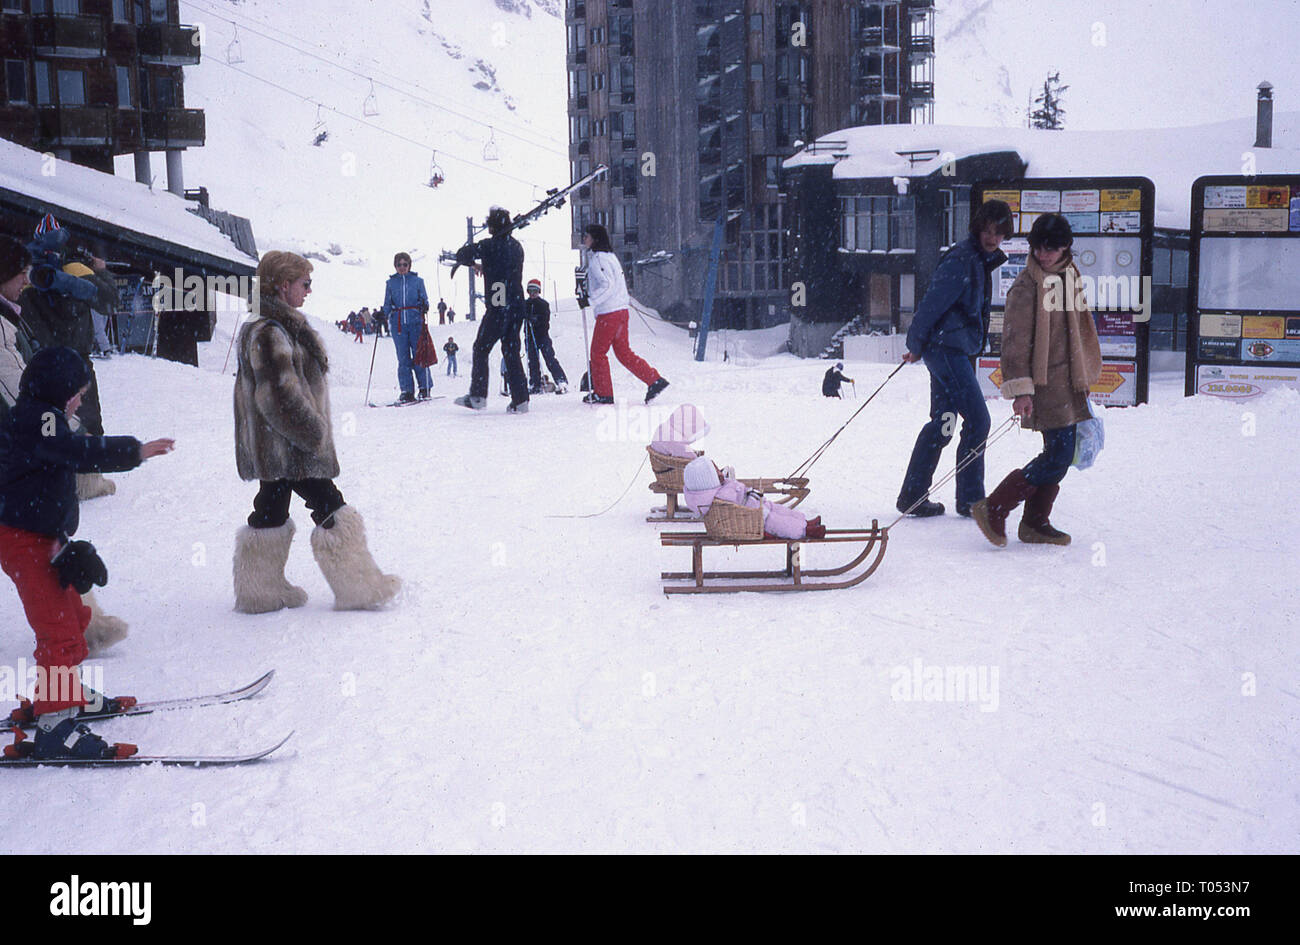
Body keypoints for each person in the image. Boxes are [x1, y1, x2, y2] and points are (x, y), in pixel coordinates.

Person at [0, 345, 174, 759]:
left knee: (75, 616)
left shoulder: (41, 415)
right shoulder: (39, 420)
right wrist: (135, 450)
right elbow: (75, 453)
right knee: (58, 631)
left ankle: (65, 695)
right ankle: (56, 727)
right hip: (23, 540)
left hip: (41, 536)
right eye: (76, 391)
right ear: (57, 389)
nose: (79, 399)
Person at [233, 251, 400, 613]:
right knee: (329, 504)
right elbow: (278, 397)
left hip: (277, 444)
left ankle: (259, 591)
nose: (309, 291)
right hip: (290, 444)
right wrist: (312, 435)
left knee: (271, 508)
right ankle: (360, 587)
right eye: (304, 284)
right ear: (283, 285)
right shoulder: (269, 331)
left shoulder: (275, 326)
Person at [1, 235, 128, 656]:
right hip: (33, 431)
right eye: (22, 272)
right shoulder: (11, 316)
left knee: (45, 542)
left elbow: (107, 300)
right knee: (35, 547)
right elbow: (16, 387)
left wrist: (86, 279)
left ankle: (79, 631)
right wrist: (58, 421)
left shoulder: (17, 310)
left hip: (57, 399)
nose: (29, 278)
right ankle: (61, 691)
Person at [972, 213, 1101, 547]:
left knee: (1061, 453)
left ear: (1065, 248)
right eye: (1039, 248)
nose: (1044, 255)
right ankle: (995, 507)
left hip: (1069, 382)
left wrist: (1083, 373)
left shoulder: (1069, 275)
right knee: (1058, 455)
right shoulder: (1026, 286)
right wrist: (1021, 390)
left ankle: (1035, 523)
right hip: (1044, 386)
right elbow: (1014, 344)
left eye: (1051, 248)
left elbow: (1081, 331)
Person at [896, 200, 1013, 518]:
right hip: (946, 350)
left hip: (951, 349)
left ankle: (913, 496)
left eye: (998, 233)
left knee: (943, 425)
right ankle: (972, 500)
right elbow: (932, 303)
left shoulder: (979, 259)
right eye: (988, 230)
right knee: (979, 420)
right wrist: (915, 343)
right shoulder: (963, 259)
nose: (992, 238)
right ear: (978, 228)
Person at [580, 224, 668, 405]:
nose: (584, 239)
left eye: (587, 236)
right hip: (621, 312)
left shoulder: (598, 259)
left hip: (609, 313)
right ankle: (654, 380)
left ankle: (603, 394)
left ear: (595, 238)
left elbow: (607, 285)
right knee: (623, 352)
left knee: (597, 353)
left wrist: (590, 300)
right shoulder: (610, 257)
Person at [453, 207, 529, 413]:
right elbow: (503, 266)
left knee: (481, 348)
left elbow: (462, 253)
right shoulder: (517, 247)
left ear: (492, 227)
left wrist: (473, 264)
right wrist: (485, 265)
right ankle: (521, 399)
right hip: (516, 302)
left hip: (498, 301)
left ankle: (478, 396)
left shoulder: (488, 246)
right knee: (511, 350)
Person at [682, 456, 824, 540]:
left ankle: (803, 522)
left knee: (777, 509)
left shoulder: (716, 490)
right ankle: (805, 531)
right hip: (750, 518)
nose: (720, 473)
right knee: (776, 521)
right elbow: (735, 496)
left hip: (752, 506)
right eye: (716, 472)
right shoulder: (719, 497)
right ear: (708, 480)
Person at [382, 252, 432, 402]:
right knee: (403, 358)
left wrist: (424, 306)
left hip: (415, 321)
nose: (402, 267)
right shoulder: (390, 283)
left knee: (419, 355)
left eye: (405, 264)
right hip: (398, 324)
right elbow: (387, 303)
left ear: (409, 265)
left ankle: (425, 387)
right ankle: (407, 390)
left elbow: (425, 299)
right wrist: (382, 314)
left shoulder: (417, 281)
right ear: (395, 266)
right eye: (399, 265)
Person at [523, 278, 568, 394]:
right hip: (530, 337)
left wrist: (536, 320)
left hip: (542, 337)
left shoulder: (543, 304)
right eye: (530, 291)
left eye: (535, 291)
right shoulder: (525, 304)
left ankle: (561, 381)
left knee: (550, 359)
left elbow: (545, 321)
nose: (532, 294)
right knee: (532, 361)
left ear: (539, 291)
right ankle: (535, 384)